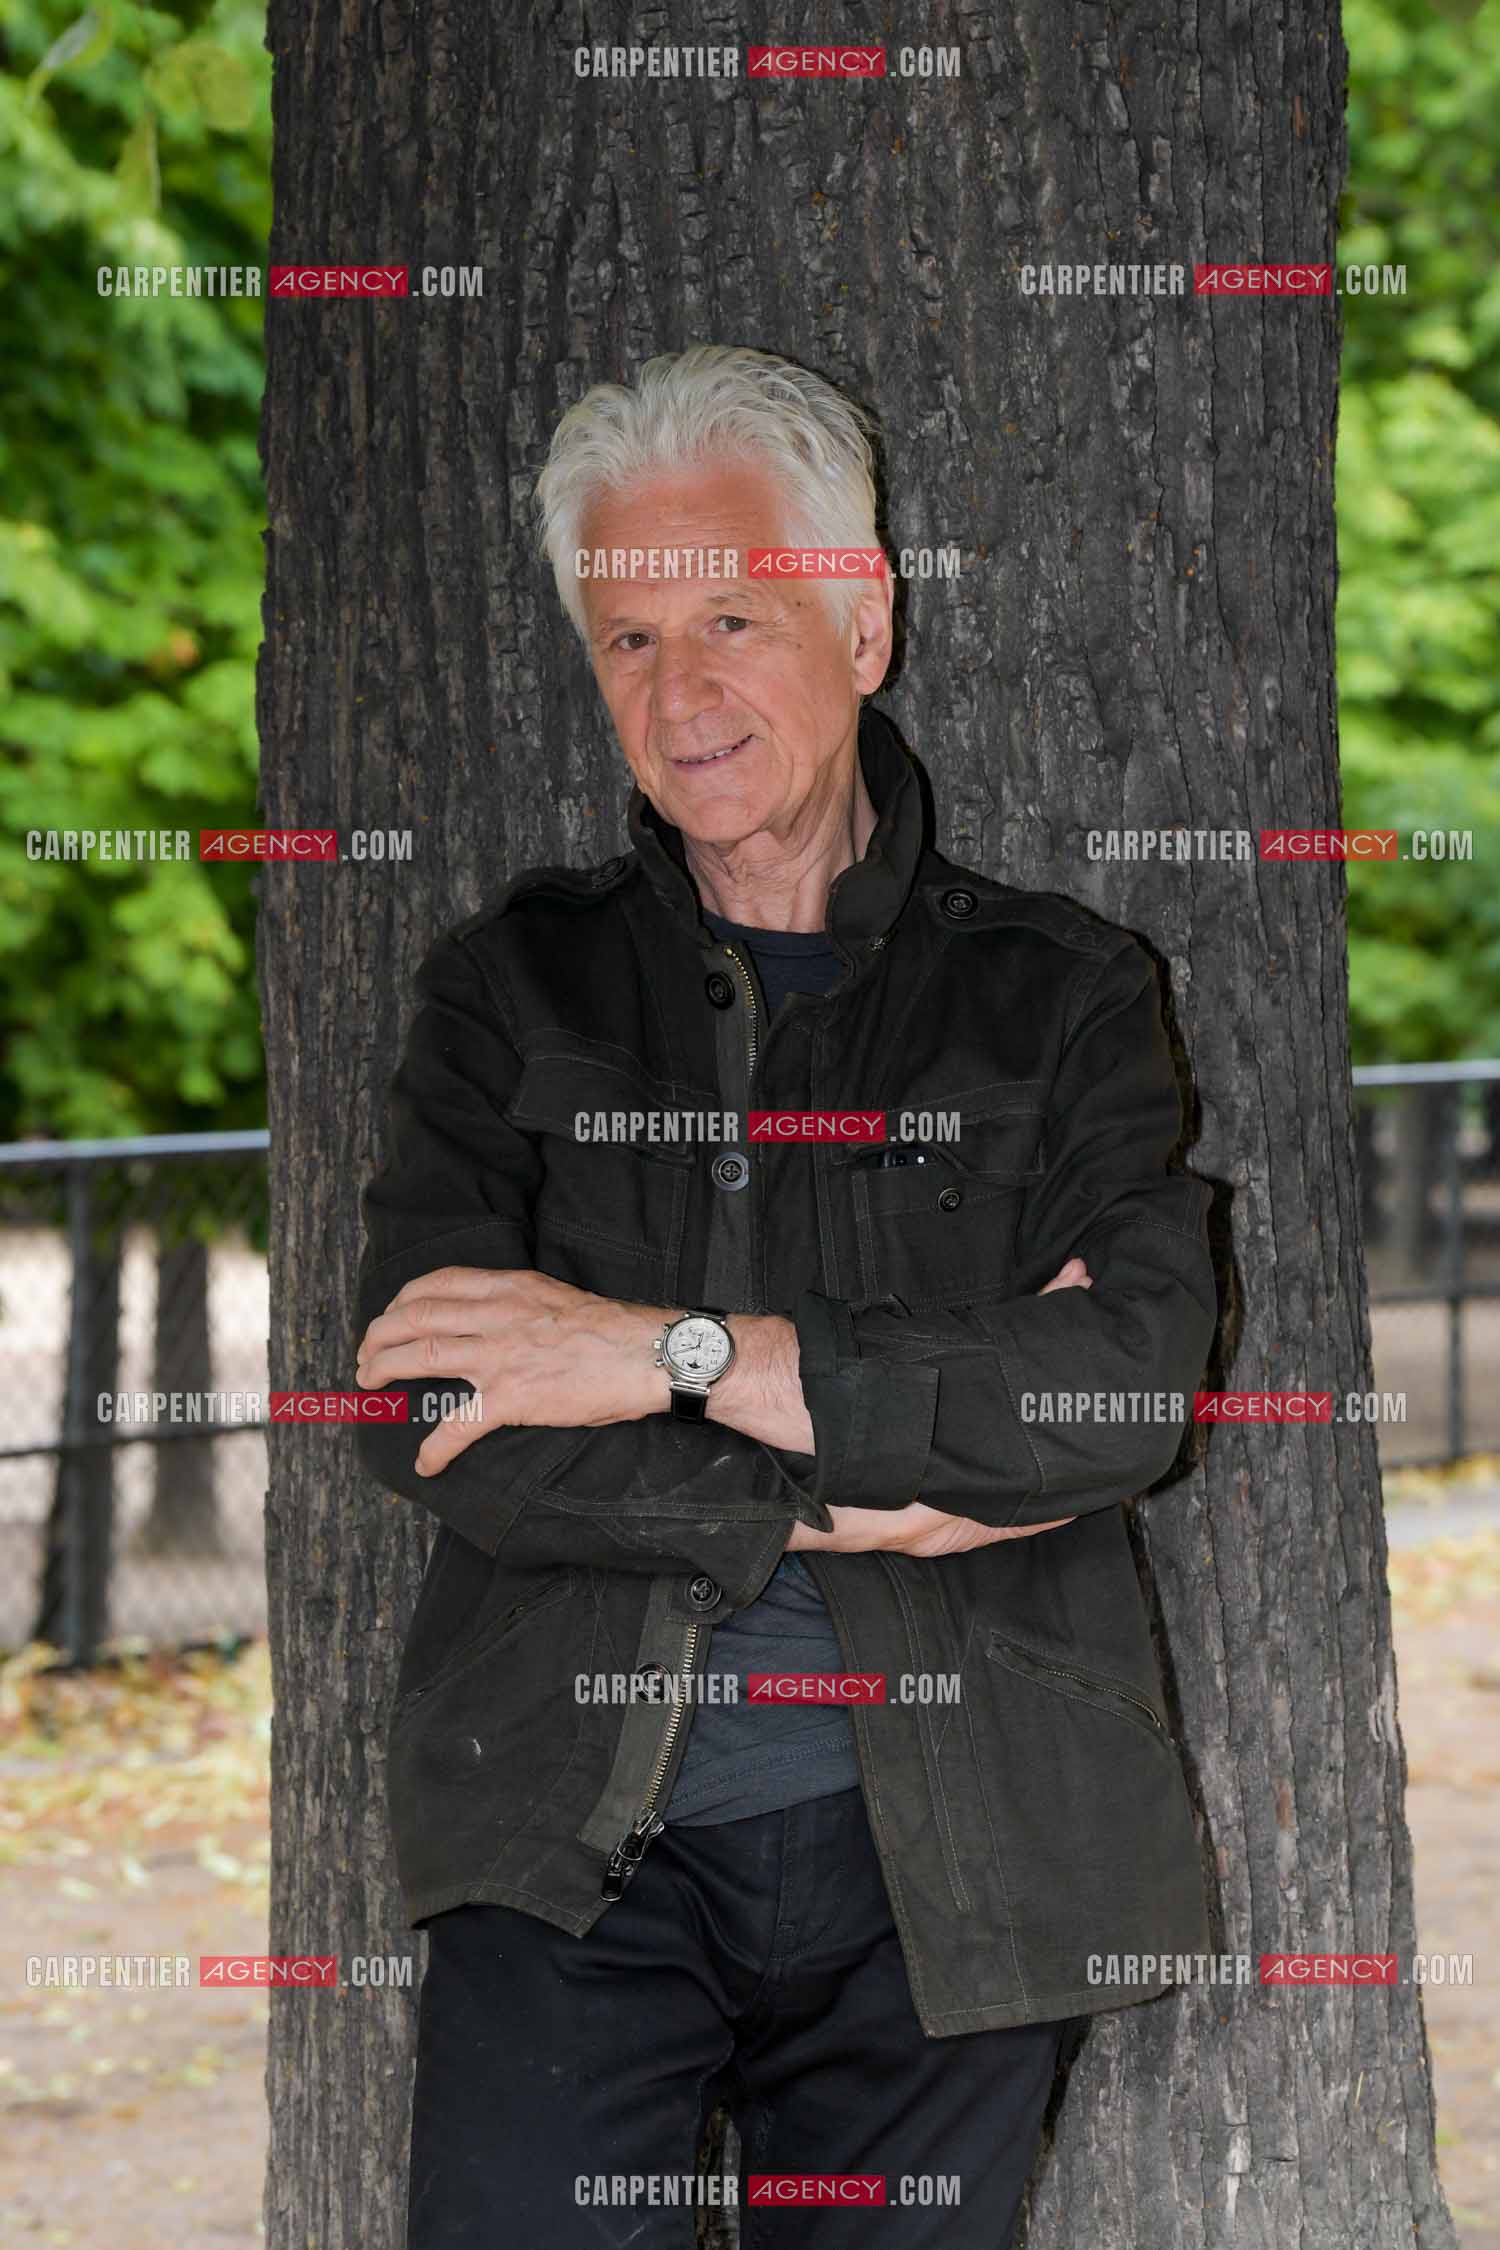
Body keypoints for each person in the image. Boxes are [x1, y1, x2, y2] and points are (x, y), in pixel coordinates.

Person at [353, 344, 1219, 2249]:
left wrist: (652, 1356)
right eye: (629, 641)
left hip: (957, 1851)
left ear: (865, 615)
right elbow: (423, 1401)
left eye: (732, 614)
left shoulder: (1062, 994)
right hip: (573, 1847)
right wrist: (858, 1462)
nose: (682, 692)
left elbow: (1123, 1386)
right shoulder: (511, 992)